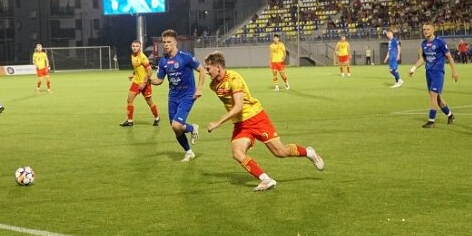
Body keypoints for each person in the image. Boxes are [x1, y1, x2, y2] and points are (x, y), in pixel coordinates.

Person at [204, 51, 324, 191]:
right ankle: (266, 180)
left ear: (218, 67)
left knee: (280, 152)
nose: (207, 72)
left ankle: (309, 152)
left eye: (208, 68)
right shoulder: (214, 85)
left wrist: (218, 122)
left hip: (256, 117)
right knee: (237, 153)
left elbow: (238, 106)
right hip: (241, 124)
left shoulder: (234, 79)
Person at [148, 29, 206, 162]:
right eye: (164, 42)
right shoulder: (163, 61)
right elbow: (159, 80)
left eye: (169, 42)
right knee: (176, 129)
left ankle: (192, 128)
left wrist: (199, 89)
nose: (166, 44)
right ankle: (189, 152)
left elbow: (202, 71)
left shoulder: (185, 56)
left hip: (187, 95)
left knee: (176, 125)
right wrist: (149, 79)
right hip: (173, 97)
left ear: (175, 43)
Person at [408, 23, 459, 128]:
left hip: (438, 73)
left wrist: (454, 71)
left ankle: (431, 121)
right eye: (424, 29)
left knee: (433, 95)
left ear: (433, 30)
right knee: (437, 98)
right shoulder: (424, 44)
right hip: (428, 73)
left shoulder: (440, 42)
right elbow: (423, 58)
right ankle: (450, 115)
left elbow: (449, 57)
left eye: (427, 29)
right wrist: (413, 68)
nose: (425, 31)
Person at [119, 40, 161, 127]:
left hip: (145, 83)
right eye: (133, 46)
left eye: (137, 46)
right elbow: (136, 68)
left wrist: (144, 82)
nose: (134, 47)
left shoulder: (143, 57)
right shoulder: (132, 56)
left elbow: (150, 71)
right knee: (129, 100)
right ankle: (130, 121)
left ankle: (157, 117)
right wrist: (133, 74)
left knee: (149, 102)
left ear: (140, 47)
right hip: (136, 82)